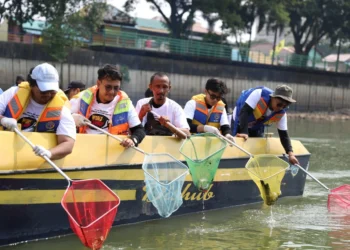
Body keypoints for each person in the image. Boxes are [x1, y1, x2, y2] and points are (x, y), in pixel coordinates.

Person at [0, 63, 76, 160]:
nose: (48, 95)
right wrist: (3, 119)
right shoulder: (13, 93)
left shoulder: (61, 108)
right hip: (4, 150)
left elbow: (68, 143)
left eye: (52, 91)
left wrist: (49, 153)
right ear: (32, 85)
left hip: (35, 158)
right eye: (44, 91)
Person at [70, 64, 145, 148]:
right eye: (108, 87)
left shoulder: (125, 103)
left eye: (116, 88)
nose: (112, 92)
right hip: (84, 147)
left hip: (110, 151)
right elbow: (61, 115)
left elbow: (139, 130)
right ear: (98, 83)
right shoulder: (84, 96)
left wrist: (133, 140)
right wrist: (72, 117)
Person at [232, 85, 299, 164]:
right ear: (273, 97)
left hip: (256, 126)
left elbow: (283, 134)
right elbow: (244, 113)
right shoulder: (258, 94)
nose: (281, 108)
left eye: (284, 106)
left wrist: (290, 154)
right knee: (239, 142)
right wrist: (244, 132)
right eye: (279, 104)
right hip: (240, 119)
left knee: (255, 147)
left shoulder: (282, 113)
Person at [135, 72, 190, 139]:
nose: (161, 91)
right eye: (157, 86)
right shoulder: (141, 103)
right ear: (150, 87)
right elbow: (132, 130)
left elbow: (187, 133)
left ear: (169, 88)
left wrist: (169, 126)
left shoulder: (175, 108)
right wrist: (141, 115)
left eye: (165, 87)